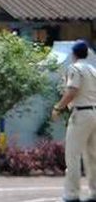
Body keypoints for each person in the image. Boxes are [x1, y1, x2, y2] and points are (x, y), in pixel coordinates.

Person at [52, 40, 96, 202]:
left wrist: (58, 107)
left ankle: (72, 194)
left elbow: (72, 90)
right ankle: (94, 192)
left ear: (74, 54)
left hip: (81, 113)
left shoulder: (75, 69)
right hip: (94, 111)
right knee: (92, 156)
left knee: (73, 155)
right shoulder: (92, 69)